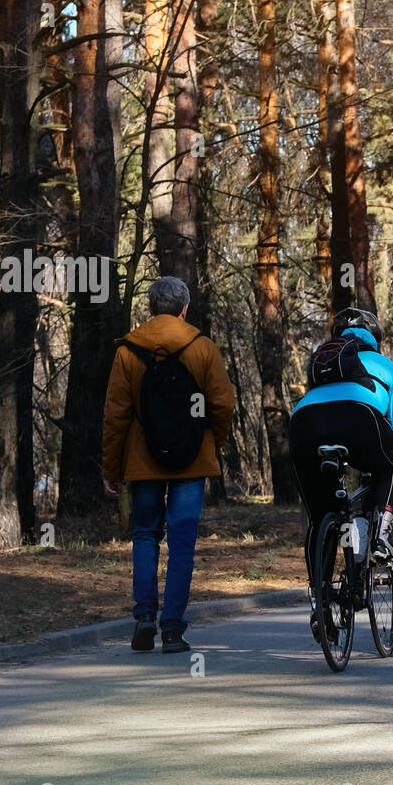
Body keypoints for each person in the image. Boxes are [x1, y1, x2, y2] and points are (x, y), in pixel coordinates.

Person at [102, 276, 236, 654]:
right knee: (181, 544)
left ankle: (145, 617)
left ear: (150, 308)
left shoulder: (128, 350)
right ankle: (173, 630)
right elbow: (223, 404)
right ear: (184, 308)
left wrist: (111, 469)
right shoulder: (203, 347)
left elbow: (115, 415)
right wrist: (210, 442)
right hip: (192, 463)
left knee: (145, 536)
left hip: (143, 462)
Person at [291, 307, 393, 640]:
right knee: (392, 464)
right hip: (359, 419)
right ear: (373, 338)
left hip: (304, 424)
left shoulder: (320, 363)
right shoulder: (385, 365)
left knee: (321, 515)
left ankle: (320, 600)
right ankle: (379, 531)